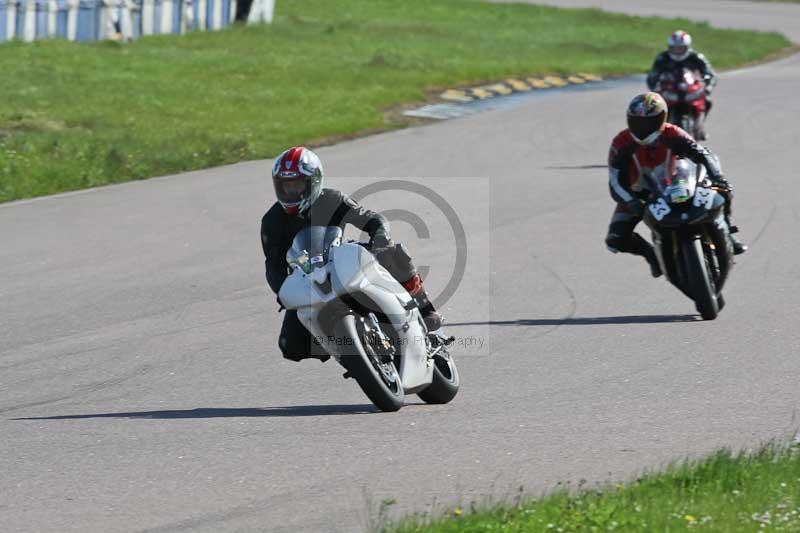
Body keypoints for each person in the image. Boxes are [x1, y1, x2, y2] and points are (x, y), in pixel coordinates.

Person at [261, 146, 443, 362]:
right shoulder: (272, 221)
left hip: (344, 262)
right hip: (309, 279)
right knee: (290, 346)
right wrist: (284, 292)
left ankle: (424, 309)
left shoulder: (332, 199)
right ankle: (348, 349)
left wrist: (380, 240)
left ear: (314, 181)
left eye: (297, 185)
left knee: (392, 253)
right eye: (285, 186)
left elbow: (373, 220)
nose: (291, 192)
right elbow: (273, 267)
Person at [605, 92, 747, 278]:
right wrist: (631, 201)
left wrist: (717, 177)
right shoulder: (621, 142)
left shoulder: (672, 132)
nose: (643, 128)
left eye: (649, 122)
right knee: (615, 240)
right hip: (638, 195)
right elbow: (615, 180)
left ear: (663, 118)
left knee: (723, 189)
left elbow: (702, 154)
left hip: (674, 184)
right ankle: (652, 255)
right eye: (637, 122)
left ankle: (727, 230)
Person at [646, 30, 717, 140]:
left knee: (708, 101)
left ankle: (700, 127)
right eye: (675, 48)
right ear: (670, 47)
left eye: (681, 48)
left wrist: (708, 86)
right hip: (669, 89)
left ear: (687, 47)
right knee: (652, 106)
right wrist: (654, 87)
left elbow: (710, 73)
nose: (678, 51)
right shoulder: (662, 58)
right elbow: (653, 75)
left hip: (689, 88)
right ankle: (654, 130)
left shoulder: (697, 57)